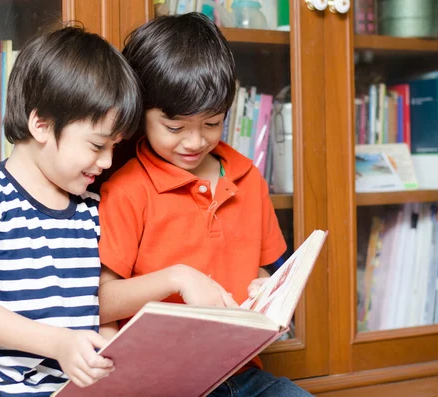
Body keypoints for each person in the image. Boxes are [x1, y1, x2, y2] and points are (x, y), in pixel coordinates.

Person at [97, 12, 313, 397]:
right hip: (156, 382)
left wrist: (265, 291)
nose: (194, 142)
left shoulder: (248, 179)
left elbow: (262, 270)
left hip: (239, 372)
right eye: (175, 127)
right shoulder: (128, 190)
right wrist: (178, 277)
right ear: (140, 112)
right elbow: (102, 302)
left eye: (212, 123)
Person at [0, 25, 142, 397]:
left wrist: (107, 351)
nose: (108, 161)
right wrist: (60, 344)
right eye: (97, 145)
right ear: (42, 124)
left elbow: (100, 309)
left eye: (114, 146)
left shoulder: (92, 210)